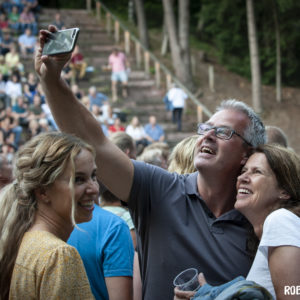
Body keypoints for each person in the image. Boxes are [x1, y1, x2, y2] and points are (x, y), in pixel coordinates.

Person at [35, 26, 266, 300]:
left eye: (224, 132)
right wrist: (51, 79)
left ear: (246, 153)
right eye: (205, 127)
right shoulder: (158, 189)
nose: (208, 136)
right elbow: (94, 142)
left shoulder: (262, 221)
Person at [174, 144, 300, 300]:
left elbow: (294, 292)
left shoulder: (280, 220)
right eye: (243, 171)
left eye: (257, 172)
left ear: (284, 191)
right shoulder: (264, 235)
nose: (242, 178)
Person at [0, 131, 97, 299]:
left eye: (93, 176)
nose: (94, 189)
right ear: (43, 191)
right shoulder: (59, 255)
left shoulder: (22, 239)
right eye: (78, 179)